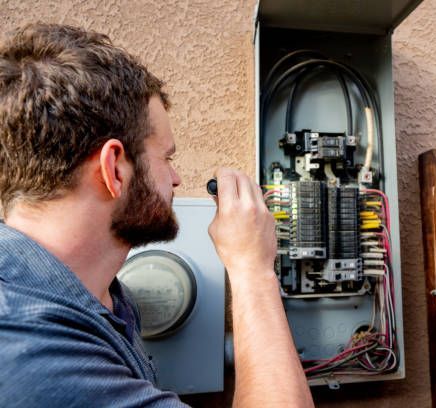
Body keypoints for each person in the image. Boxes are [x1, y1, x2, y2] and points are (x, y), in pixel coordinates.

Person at [0, 23, 313, 407]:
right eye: (167, 158)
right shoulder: (32, 355)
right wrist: (252, 268)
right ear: (114, 168)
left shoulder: (103, 295)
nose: (177, 178)